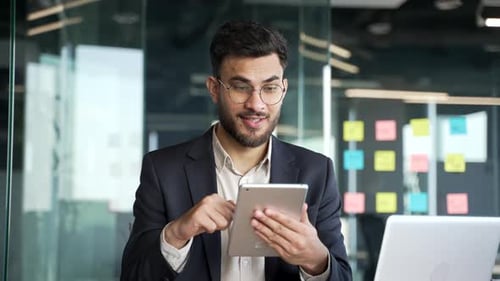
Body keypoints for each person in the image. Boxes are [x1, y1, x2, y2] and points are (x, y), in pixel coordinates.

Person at [120, 20, 352, 281]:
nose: (256, 103)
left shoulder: (317, 171)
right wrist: (177, 233)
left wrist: (316, 260)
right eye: (241, 87)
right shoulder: (163, 170)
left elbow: (342, 276)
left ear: (283, 90)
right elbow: (133, 275)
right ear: (214, 89)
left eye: (270, 88)